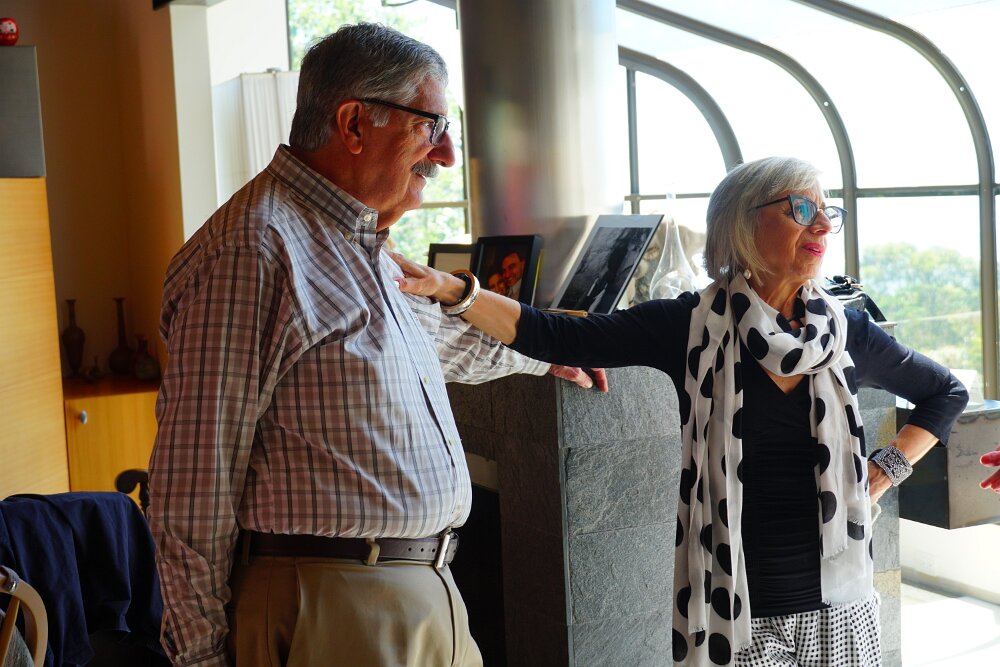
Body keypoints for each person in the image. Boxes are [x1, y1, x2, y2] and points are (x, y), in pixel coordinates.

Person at [392, 156, 968, 667]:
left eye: (827, 212)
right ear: (743, 223)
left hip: (840, 612)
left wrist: (884, 470)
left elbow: (945, 393)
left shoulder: (846, 334)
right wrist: (457, 291)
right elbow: (556, 335)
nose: (820, 225)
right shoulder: (689, 326)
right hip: (734, 616)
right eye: (800, 208)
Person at [147, 23, 598, 667]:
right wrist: (199, 656)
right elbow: (194, 477)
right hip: (335, 610)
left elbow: (440, 344)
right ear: (355, 124)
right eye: (431, 126)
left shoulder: (362, 245)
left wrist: (549, 350)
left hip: (419, 598)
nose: (447, 155)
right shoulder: (254, 249)